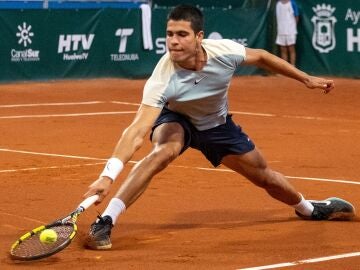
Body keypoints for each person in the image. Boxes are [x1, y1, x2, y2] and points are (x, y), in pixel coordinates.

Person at [83, 4, 355, 250]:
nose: (173, 42)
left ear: (199, 37)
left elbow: (261, 56)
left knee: (265, 176)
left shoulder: (223, 52)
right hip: (178, 119)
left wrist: (304, 78)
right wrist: (108, 176)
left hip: (216, 124)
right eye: (169, 34)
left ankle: (308, 209)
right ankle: (107, 219)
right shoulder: (162, 78)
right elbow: (136, 131)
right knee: (162, 152)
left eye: (181, 34)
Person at [275, 0, 299, 66]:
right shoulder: (278, 4)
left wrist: (292, 27)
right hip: (281, 31)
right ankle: (285, 69)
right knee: (283, 50)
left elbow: (296, 17)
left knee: (291, 49)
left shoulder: (292, 3)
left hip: (290, 31)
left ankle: (292, 68)